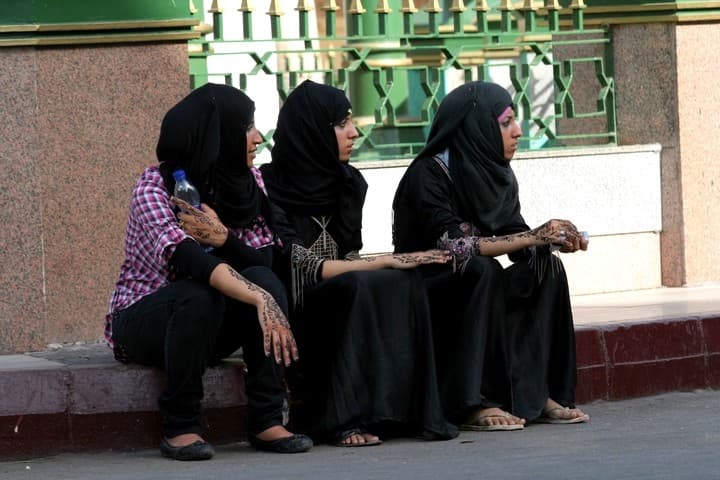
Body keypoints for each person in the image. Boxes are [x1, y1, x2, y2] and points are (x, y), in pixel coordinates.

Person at [105, 83, 313, 461]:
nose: (258, 138)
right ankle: (181, 425)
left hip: (208, 322)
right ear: (217, 137)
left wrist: (223, 239)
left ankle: (266, 419)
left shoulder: (247, 184)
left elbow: (266, 262)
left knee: (265, 280)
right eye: (248, 127)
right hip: (144, 322)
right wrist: (256, 296)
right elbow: (190, 263)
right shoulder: (154, 188)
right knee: (200, 293)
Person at [259, 80, 458, 446]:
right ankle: (339, 419)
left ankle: (400, 413)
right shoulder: (268, 184)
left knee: (402, 280)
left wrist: (391, 265)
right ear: (312, 130)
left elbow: (348, 254)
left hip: (343, 292)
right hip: (293, 306)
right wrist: (385, 260)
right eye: (341, 124)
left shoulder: (349, 183)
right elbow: (298, 262)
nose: (354, 132)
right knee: (364, 282)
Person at [392, 80, 590, 428]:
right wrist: (532, 237)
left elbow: (516, 237)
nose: (517, 131)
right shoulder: (428, 174)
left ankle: (535, 391)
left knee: (546, 268)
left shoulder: (495, 174)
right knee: (481, 270)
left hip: (475, 287)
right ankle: (472, 401)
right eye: (505, 122)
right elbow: (454, 246)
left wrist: (552, 240)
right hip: (423, 292)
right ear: (476, 126)